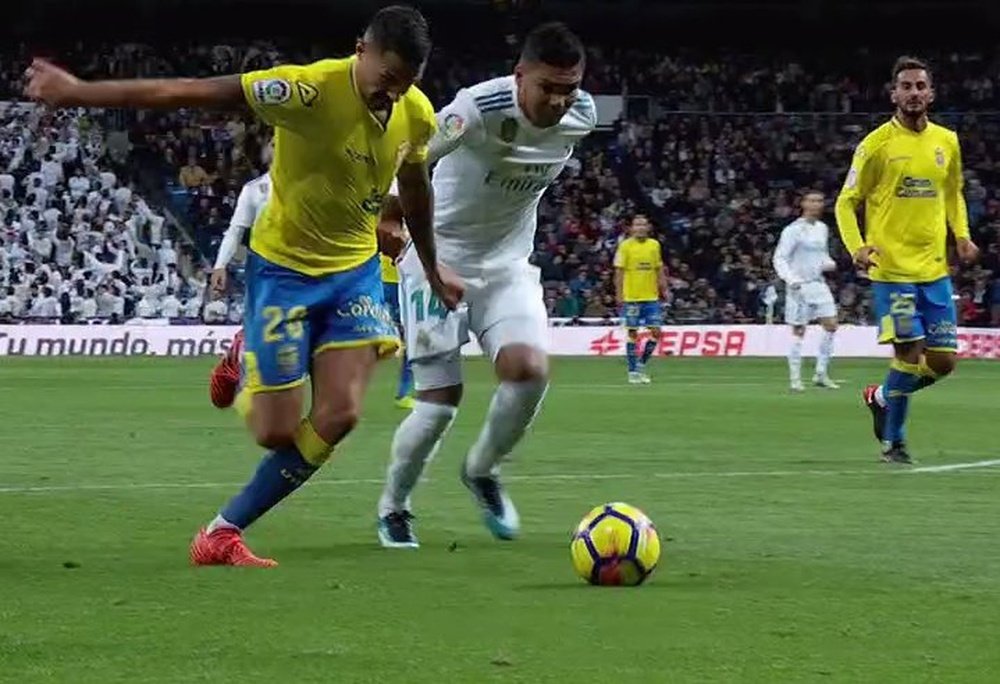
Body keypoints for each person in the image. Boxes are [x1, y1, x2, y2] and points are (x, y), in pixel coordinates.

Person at [25, 4, 463, 566]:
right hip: (283, 269)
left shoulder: (416, 114)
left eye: (406, 85)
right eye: (386, 80)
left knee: (340, 414)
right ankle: (245, 351)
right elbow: (191, 91)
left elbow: (415, 189)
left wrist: (431, 265)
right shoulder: (305, 92)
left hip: (352, 272)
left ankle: (221, 533)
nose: (392, 96)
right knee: (274, 433)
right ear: (361, 51)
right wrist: (79, 92)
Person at [375, 22, 596, 548]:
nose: (561, 101)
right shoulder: (476, 109)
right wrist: (404, 238)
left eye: (569, 89)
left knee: (529, 371)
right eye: (548, 88)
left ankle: (481, 470)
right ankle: (395, 507)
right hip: (436, 258)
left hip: (507, 267)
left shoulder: (583, 115)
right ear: (520, 75)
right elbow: (405, 176)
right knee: (437, 404)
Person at [834, 56, 979, 464]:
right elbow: (846, 202)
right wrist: (856, 247)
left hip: (934, 271)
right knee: (909, 353)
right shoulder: (876, 144)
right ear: (893, 94)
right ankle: (893, 444)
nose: (914, 93)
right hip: (892, 272)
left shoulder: (946, 141)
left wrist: (962, 236)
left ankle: (880, 397)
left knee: (944, 363)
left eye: (920, 86)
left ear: (930, 93)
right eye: (906, 87)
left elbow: (953, 194)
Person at [208, 172, 270, 409]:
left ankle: (242, 348)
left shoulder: (314, 181)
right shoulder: (256, 189)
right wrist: (220, 265)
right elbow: (235, 230)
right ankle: (244, 357)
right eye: (273, 143)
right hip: (267, 268)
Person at [772, 189, 840, 392]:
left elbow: (822, 254)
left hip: (818, 283)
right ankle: (795, 379)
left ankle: (820, 373)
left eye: (819, 201)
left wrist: (829, 263)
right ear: (803, 204)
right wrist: (791, 280)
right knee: (799, 331)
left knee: (831, 325)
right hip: (799, 285)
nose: (816, 204)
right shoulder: (793, 230)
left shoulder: (822, 228)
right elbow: (780, 257)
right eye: (812, 200)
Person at [613, 214, 667, 384]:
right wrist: (619, 294)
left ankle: (640, 364)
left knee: (656, 332)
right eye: (637, 225)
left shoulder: (654, 245)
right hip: (632, 297)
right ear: (631, 228)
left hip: (651, 297)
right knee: (632, 332)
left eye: (643, 224)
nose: (640, 228)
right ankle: (632, 372)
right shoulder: (625, 246)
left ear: (648, 227)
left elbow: (658, 268)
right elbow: (619, 272)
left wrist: (664, 287)